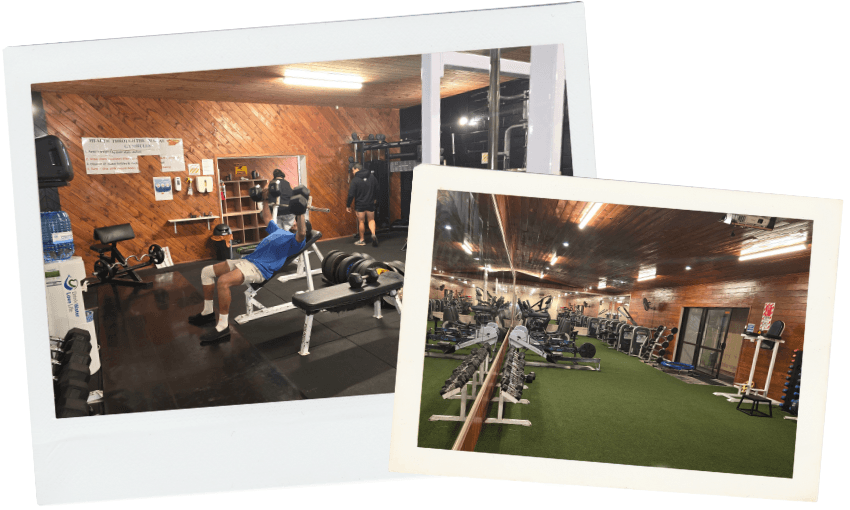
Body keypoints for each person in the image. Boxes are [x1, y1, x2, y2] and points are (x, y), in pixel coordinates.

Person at [189, 189, 309, 345]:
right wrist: (265, 199)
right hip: (248, 260)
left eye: (297, 223)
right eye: (295, 221)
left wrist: (300, 214)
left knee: (223, 282)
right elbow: (267, 217)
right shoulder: (279, 231)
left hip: (259, 268)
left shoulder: (295, 242)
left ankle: (223, 327)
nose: (294, 223)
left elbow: (302, 232)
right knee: (206, 272)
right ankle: (208, 312)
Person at [346, 163, 379, 247]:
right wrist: (375, 198)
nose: (352, 172)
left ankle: (362, 240)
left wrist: (348, 205)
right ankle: (373, 234)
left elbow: (351, 194)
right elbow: (377, 188)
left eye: (353, 170)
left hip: (360, 205)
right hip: (370, 203)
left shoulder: (355, 180)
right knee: (371, 220)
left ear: (357, 169)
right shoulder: (372, 177)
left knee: (361, 221)